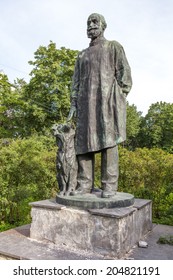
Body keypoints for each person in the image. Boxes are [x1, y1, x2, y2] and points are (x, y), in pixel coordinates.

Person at [67, 13, 132, 198]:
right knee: (83, 143)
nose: (91, 25)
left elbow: (124, 75)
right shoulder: (82, 55)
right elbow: (76, 82)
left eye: (95, 22)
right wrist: (74, 103)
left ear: (103, 26)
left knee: (108, 142)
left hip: (107, 103)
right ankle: (84, 184)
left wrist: (118, 97)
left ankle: (109, 185)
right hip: (85, 105)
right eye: (88, 23)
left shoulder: (113, 47)